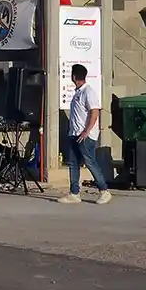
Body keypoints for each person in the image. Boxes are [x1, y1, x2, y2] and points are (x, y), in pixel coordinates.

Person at [59, 64, 113, 205]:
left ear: (74, 76)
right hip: (74, 134)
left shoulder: (88, 92)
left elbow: (94, 112)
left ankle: (104, 191)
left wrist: (86, 131)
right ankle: (74, 193)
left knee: (90, 162)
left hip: (85, 136)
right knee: (73, 163)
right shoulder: (78, 93)